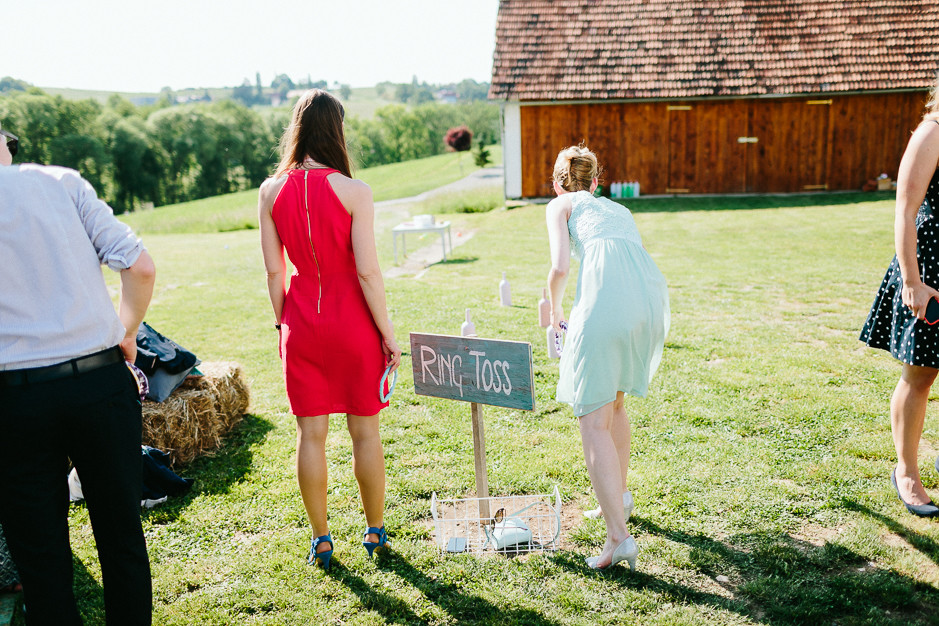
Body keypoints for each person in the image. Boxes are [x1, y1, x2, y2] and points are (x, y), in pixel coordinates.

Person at [0, 122, 156, 623]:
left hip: (13, 397)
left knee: (41, 558)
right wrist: (126, 332)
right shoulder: (62, 182)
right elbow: (139, 265)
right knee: (121, 538)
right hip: (97, 380)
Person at [258, 89, 401, 570]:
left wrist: (283, 322)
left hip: (300, 322)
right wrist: (388, 333)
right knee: (365, 433)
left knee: (310, 436)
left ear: (297, 129)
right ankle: (375, 532)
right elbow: (368, 273)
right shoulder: (354, 191)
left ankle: (321, 539)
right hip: (353, 323)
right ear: (335, 130)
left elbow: (275, 273)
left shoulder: (270, 191)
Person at [546, 145, 670, 570]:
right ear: (596, 182)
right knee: (615, 405)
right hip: (646, 308)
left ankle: (618, 537)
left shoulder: (560, 205)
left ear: (559, 182)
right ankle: (619, 498)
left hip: (605, 311)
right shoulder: (619, 210)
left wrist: (556, 308)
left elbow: (560, 268)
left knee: (592, 420)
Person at [860, 82, 939, 517]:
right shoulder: (932, 132)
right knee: (921, 375)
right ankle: (907, 472)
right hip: (931, 268)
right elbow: (906, 211)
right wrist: (912, 280)